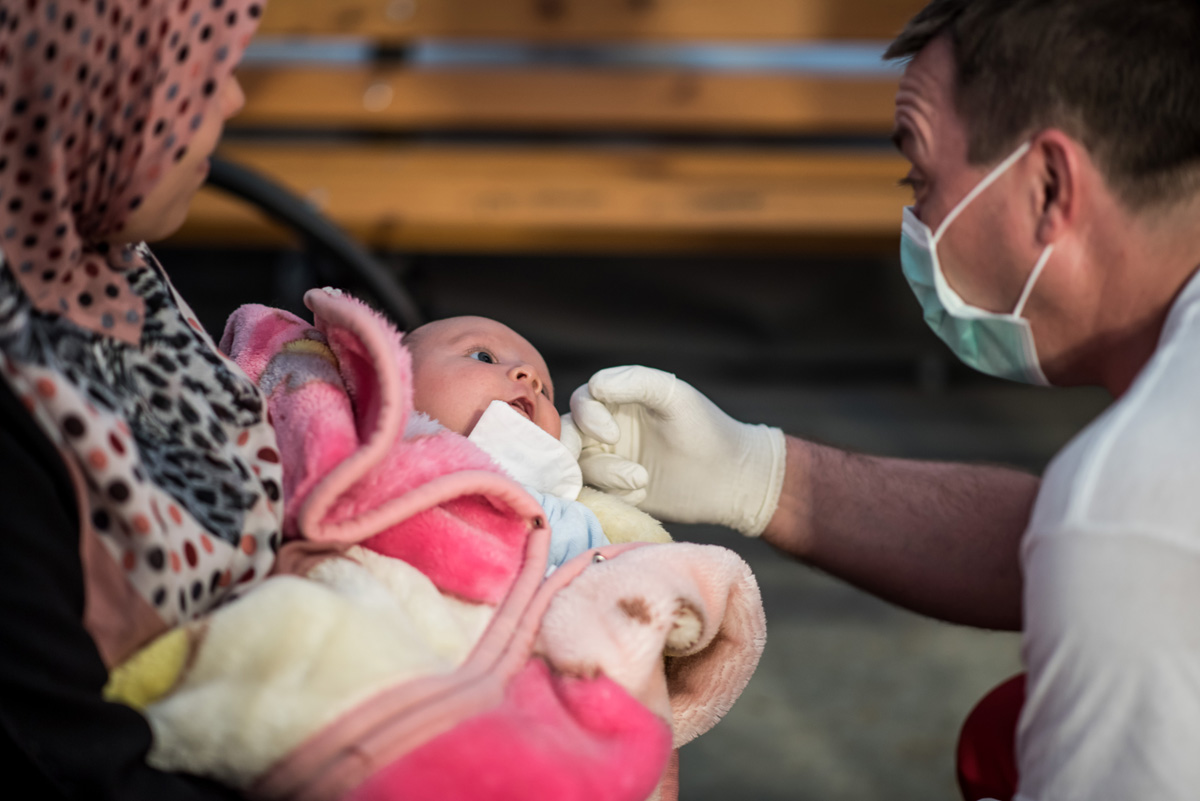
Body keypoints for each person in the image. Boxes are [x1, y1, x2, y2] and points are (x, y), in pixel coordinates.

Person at [563, 1, 1200, 799]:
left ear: (1048, 186)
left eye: (921, 178)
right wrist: (757, 474)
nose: (915, 221)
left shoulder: (1134, 502)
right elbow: (1061, 550)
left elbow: (1115, 538)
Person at [0, 2, 279, 798]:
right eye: (195, 79)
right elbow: (78, 761)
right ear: (74, 100)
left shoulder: (92, 269)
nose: (233, 102)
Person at [403, 315, 610, 572]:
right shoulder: (359, 457)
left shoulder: (562, 518)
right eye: (484, 357)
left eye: (544, 391)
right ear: (397, 379)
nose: (530, 376)